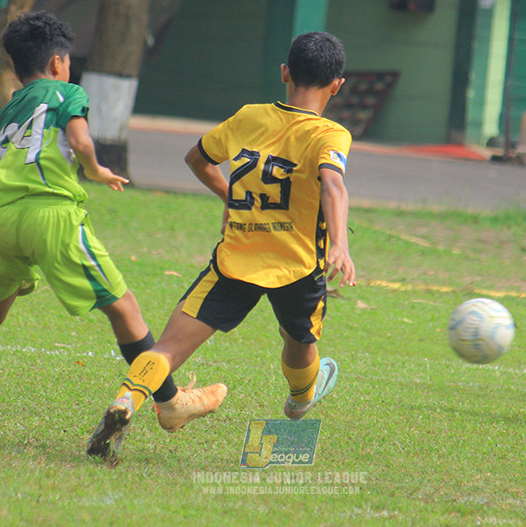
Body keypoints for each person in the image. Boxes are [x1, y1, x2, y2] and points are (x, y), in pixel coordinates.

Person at [0, 11, 220, 437]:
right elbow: (80, 138)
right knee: (124, 307)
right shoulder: (67, 92)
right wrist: (96, 169)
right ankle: (170, 402)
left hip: (4, 218)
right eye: (67, 61)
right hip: (51, 215)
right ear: (56, 63)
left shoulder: (9, 109)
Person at [85, 31, 356, 462]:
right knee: (298, 341)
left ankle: (125, 400)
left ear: (285, 73)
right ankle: (300, 400)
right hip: (298, 268)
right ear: (336, 85)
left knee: (166, 350)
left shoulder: (250, 116)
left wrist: (232, 197)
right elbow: (333, 185)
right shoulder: (330, 134)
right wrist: (339, 243)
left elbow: (197, 159)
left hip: (234, 262)